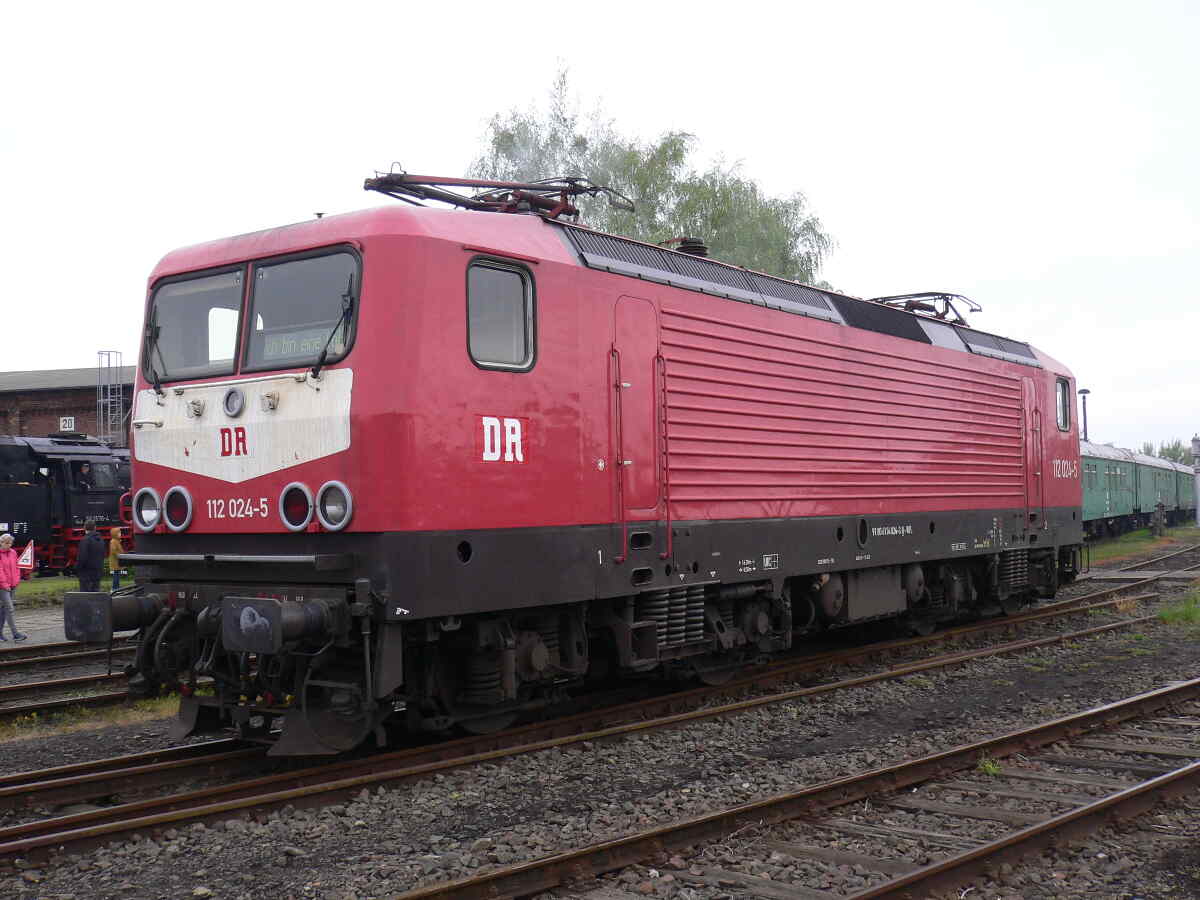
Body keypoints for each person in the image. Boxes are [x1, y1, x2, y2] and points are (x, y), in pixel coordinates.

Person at [0, 533, 28, 642]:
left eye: (10, 543)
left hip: (13, 585)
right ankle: (15, 634)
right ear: (1, 542)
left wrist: (16, 581)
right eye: (6, 543)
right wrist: (4, 584)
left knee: (3, 609)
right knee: (10, 609)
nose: (8, 545)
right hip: (2, 586)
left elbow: (17, 567)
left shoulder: (13, 553)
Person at [75, 519, 106, 592]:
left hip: (86, 574)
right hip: (97, 572)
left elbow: (82, 558)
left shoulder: (85, 540)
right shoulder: (101, 540)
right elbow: (103, 555)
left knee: (86, 595)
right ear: (95, 527)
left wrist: (77, 568)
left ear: (84, 528)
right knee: (95, 595)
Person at [108, 527, 124, 591]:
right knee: (116, 575)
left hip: (117, 561)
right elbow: (113, 551)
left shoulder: (117, 541)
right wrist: (119, 555)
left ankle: (116, 587)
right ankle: (114, 588)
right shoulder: (113, 541)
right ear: (115, 534)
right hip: (115, 561)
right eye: (119, 533)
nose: (120, 534)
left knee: (117, 575)